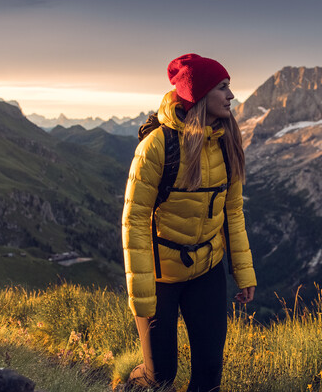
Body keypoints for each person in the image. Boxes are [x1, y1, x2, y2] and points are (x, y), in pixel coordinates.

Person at [122, 53, 257, 391]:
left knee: (209, 374)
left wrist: (244, 272)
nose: (231, 96)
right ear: (199, 95)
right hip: (160, 276)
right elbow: (135, 220)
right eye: (223, 88)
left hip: (207, 270)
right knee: (161, 378)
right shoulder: (156, 146)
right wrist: (142, 296)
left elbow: (233, 212)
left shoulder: (226, 142)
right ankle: (131, 381)